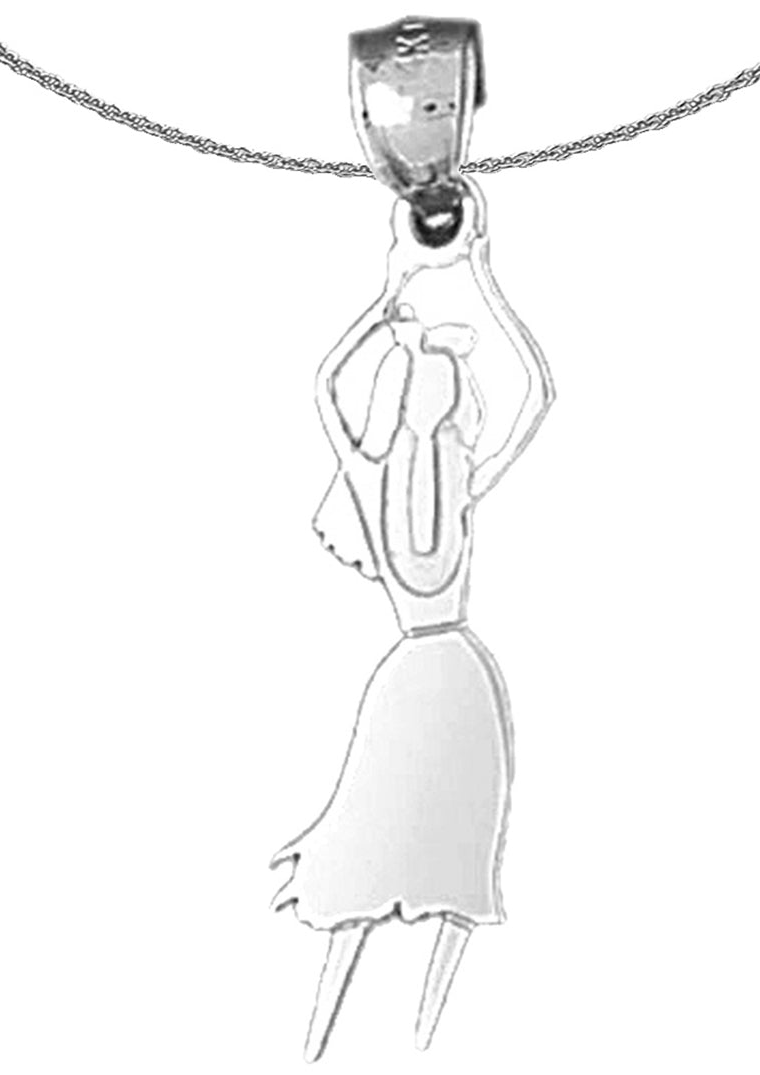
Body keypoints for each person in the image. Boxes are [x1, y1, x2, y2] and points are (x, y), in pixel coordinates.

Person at [272, 188, 553, 1061]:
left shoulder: (451, 476)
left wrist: (474, 273)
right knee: (365, 870)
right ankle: (333, 1035)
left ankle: (424, 1040)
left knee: (458, 873)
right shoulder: (379, 476)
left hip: (451, 677)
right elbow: (325, 388)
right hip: (427, 677)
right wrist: (400, 285)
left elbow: (538, 395)